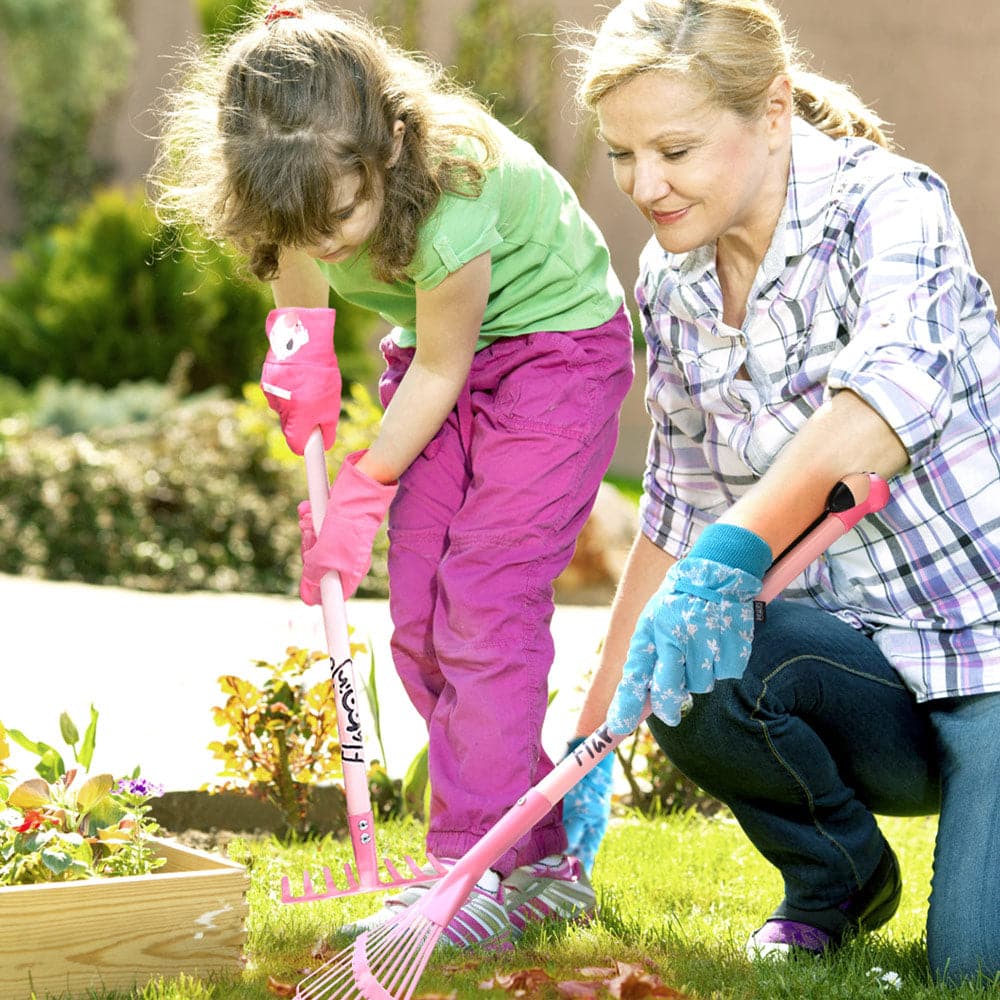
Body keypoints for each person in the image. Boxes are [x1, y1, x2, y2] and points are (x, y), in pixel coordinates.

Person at [150, 1, 634, 950]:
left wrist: (362, 494)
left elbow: (450, 367)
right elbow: (303, 287)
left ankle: (475, 870)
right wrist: (300, 359)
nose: (328, 243)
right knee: (419, 619)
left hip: (551, 357)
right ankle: (537, 864)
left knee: (483, 605)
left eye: (344, 214)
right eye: (299, 224)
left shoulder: (453, 181)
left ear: (388, 148)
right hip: (438, 361)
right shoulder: (299, 182)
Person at [561, 0, 1000, 984]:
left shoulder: (890, 204)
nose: (644, 185)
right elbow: (676, 504)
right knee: (683, 656)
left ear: (771, 110)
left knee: (971, 966)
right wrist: (590, 739)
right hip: (871, 669)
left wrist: (740, 543)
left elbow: (883, 406)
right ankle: (836, 878)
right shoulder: (673, 279)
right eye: (623, 154)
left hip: (994, 657)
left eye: (673, 149)